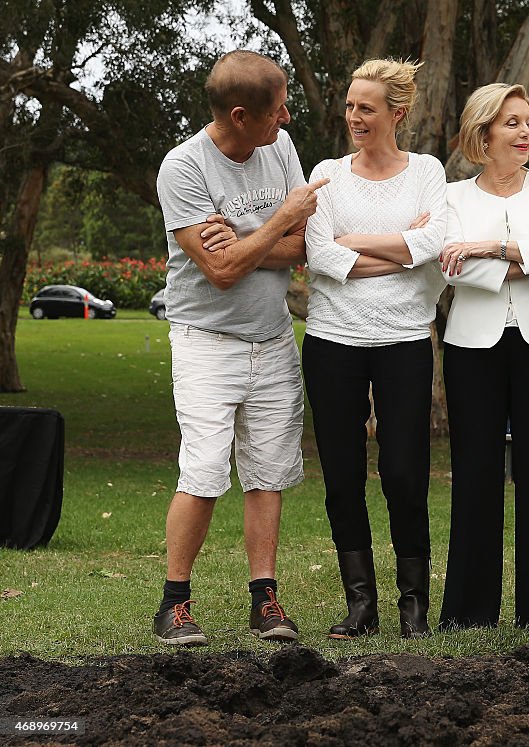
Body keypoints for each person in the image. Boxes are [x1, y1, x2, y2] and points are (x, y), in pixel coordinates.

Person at [153, 49, 327, 646]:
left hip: (273, 337)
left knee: (268, 471)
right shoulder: (183, 169)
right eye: (277, 111)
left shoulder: (278, 147)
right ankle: (175, 602)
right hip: (206, 341)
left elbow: (302, 246)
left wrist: (249, 239)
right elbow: (220, 272)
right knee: (202, 470)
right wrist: (276, 224)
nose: (286, 121)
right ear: (239, 114)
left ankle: (265, 599)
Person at [302, 59, 447, 640]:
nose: (353, 117)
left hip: (404, 340)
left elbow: (433, 245)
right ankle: (360, 602)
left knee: (405, 473)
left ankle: (414, 603)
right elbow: (321, 255)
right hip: (333, 341)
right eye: (350, 105)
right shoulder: (327, 174)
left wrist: (354, 244)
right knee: (342, 474)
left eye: (366, 107)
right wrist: (399, 248)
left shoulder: (427, 172)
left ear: (398, 113)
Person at [437, 83, 529, 636]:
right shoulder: (453, 197)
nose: (525, 133)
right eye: (512, 123)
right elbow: (449, 267)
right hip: (472, 345)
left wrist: (491, 248)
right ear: (483, 133)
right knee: (475, 471)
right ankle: (470, 610)